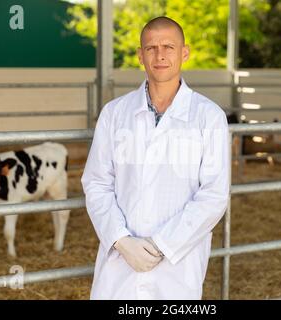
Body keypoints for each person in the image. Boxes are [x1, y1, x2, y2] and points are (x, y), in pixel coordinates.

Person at [81, 16, 229, 300]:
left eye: (169, 47)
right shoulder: (114, 114)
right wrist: (121, 241)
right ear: (140, 55)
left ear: (184, 53)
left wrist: (161, 244)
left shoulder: (208, 117)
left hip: (177, 264)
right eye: (151, 48)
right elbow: (97, 183)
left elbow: (214, 195)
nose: (160, 55)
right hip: (119, 264)